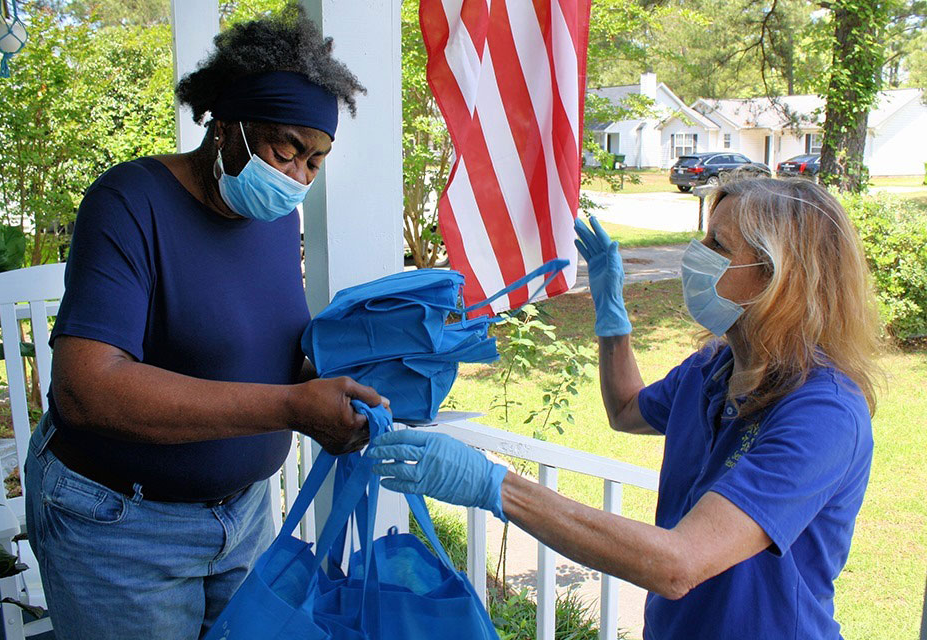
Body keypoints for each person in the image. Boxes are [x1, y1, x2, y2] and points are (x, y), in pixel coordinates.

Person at [369, 178, 882, 639]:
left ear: (775, 278)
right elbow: (626, 408)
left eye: (716, 245)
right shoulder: (713, 370)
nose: (693, 255)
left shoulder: (823, 414)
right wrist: (610, 311)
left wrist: (494, 486)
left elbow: (679, 563)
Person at [24, 8, 386, 640]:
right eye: (285, 149)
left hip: (243, 517)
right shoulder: (128, 203)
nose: (297, 177)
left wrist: (349, 373)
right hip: (120, 527)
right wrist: (292, 408)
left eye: (316, 160)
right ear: (226, 128)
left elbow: (256, 347)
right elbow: (86, 390)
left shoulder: (276, 218)